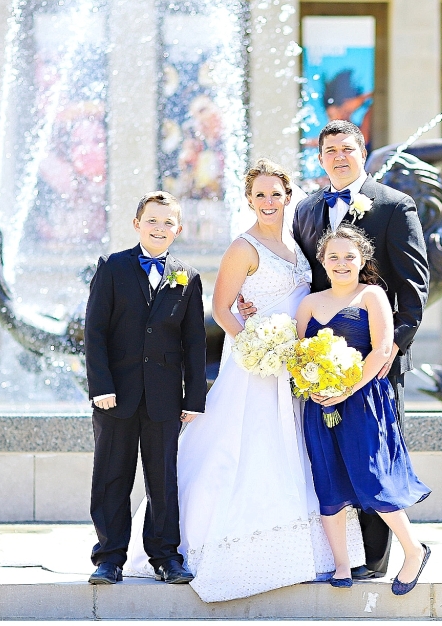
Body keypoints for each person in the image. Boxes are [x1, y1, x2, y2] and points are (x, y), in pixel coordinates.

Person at [124, 160, 365, 602]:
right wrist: (255, 346)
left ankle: (305, 552)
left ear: (287, 197)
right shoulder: (243, 246)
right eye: (260, 195)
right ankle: (201, 546)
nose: (268, 202)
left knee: (294, 451)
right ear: (248, 200)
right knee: (246, 449)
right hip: (257, 368)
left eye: (276, 194)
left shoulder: (298, 245)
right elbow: (221, 308)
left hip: (295, 367)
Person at [240, 119, 430, 579]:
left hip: (371, 363)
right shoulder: (306, 208)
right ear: (320, 158)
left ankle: (378, 559)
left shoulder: (394, 205)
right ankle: (335, 558)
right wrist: (256, 305)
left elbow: (414, 289)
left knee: (370, 459)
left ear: (362, 152)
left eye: (348, 149)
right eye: (330, 151)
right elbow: (298, 275)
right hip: (314, 360)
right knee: (327, 461)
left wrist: (387, 354)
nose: (339, 157)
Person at [295, 225, 431, 593]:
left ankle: (414, 551)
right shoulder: (309, 303)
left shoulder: (372, 295)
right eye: (333, 257)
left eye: (349, 257)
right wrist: (314, 385)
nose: (341, 263)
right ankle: (341, 564)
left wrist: (346, 389)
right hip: (318, 405)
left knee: (372, 479)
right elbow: (297, 354)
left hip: (363, 401)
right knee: (328, 481)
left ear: (363, 260)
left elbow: (383, 349)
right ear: (322, 260)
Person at [84, 191, 207, 586]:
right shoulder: (113, 267)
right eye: (152, 220)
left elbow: (194, 343)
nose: (159, 228)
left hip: (165, 398)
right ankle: (109, 558)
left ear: (178, 229)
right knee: (112, 475)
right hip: (115, 394)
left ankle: (167, 556)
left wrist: (194, 399)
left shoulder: (187, 276)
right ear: (137, 224)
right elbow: (95, 332)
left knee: (163, 479)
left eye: (168, 222)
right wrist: (100, 386)